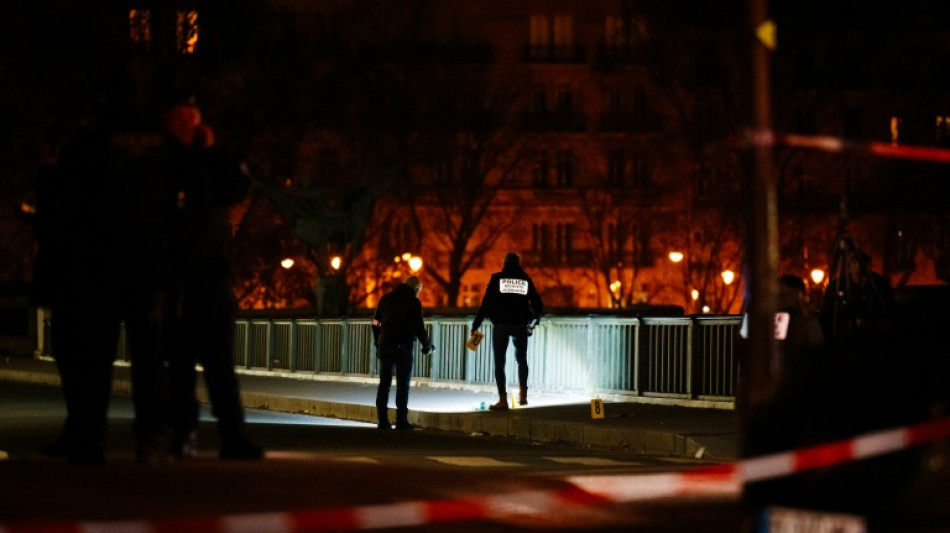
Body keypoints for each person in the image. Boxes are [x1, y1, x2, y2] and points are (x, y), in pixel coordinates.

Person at [31, 88, 170, 464]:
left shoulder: (90, 145)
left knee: (94, 358)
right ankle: (150, 438)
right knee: (148, 358)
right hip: (149, 263)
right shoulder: (159, 144)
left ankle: (89, 438)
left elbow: (65, 202)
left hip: (102, 264)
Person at [161, 94, 262, 460]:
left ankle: (228, 434)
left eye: (191, 121)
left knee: (214, 362)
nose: (188, 128)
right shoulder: (170, 164)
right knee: (183, 364)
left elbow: (236, 185)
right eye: (181, 122)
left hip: (205, 275)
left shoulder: (207, 165)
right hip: (181, 277)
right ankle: (189, 432)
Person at [471, 252, 543, 410]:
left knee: (499, 362)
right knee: (522, 359)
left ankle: (502, 400)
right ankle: (523, 396)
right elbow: (538, 304)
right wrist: (533, 321)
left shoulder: (497, 279)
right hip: (520, 324)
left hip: (501, 325)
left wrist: (476, 325)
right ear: (518, 263)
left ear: (504, 264)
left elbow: (485, 304)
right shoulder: (525, 280)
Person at [371, 275, 434, 430]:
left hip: (385, 345)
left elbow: (375, 322)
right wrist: (427, 346)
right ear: (416, 289)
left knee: (384, 383)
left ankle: (382, 420)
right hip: (403, 347)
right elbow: (419, 327)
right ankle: (401, 420)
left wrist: (377, 340)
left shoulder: (385, 299)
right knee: (402, 385)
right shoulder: (413, 302)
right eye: (419, 291)